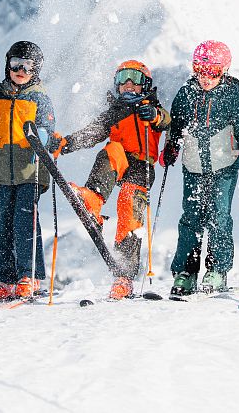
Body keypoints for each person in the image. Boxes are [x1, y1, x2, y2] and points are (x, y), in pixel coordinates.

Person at [55, 60, 171, 300]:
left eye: (135, 79)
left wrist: (156, 116)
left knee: (129, 209)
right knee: (111, 150)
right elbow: (92, 133)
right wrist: (65, 144)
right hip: (119, 163)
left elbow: (168, 122)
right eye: (122, 79)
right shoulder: (114, 112)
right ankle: (93, 200)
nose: (128, 84)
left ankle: (124, 277)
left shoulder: (151, 108)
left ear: (145, 84)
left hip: (141, 168)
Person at [162, 40, 239, 296]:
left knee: (219, 216)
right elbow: (177, 124)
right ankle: (186, 271)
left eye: (212, 71)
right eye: (200, 69)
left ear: (224, 70)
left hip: (224, 165)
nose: (206, 77)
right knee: (191, 217)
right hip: (193, 164)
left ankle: (217, 270)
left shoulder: (231, 95)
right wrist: (171, 145)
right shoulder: (186, 93)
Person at [0, 41, 57, 302]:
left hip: (31, 169)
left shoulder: (39, 97)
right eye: (15, 63)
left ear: (36, 70)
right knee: (4, 223)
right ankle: (2, 279)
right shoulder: (0, 95)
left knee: (24, 220)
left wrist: (42, 134)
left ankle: (30, 275)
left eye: (27, 66)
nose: (20, 69)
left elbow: (49, 130)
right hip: (4, 172)